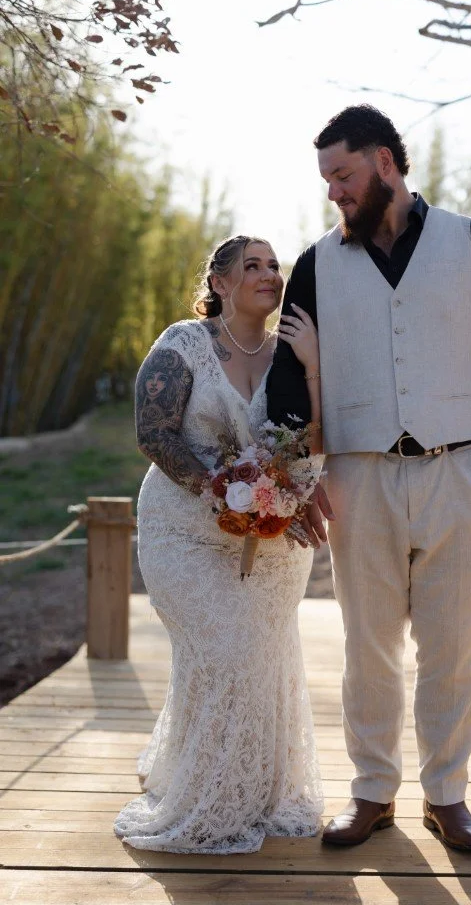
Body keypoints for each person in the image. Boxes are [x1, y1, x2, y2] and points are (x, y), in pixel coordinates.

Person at [267, 105, 471, 852]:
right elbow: (289, 379)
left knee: (454, 646)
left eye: (344, 175)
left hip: (465, 473)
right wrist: (295, 475)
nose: (334, 193)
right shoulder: (318, 262)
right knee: (368, 644)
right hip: (360, 478)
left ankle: (446, 795)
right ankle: (372, 791)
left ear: (386, 162)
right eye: (326, 180)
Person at [114, 235, 324, 854]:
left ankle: (253, 790)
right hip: (183, 528)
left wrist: (284, 496)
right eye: (252, 265)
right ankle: (209, 802)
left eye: (273, 265)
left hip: (273, 539)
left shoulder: (293, 351)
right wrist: (224, 488)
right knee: (224, 647)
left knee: (258, 658)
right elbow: (152, 431)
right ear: (221, 283)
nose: (269, 274)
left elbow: (315, 436)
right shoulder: (185, 343)